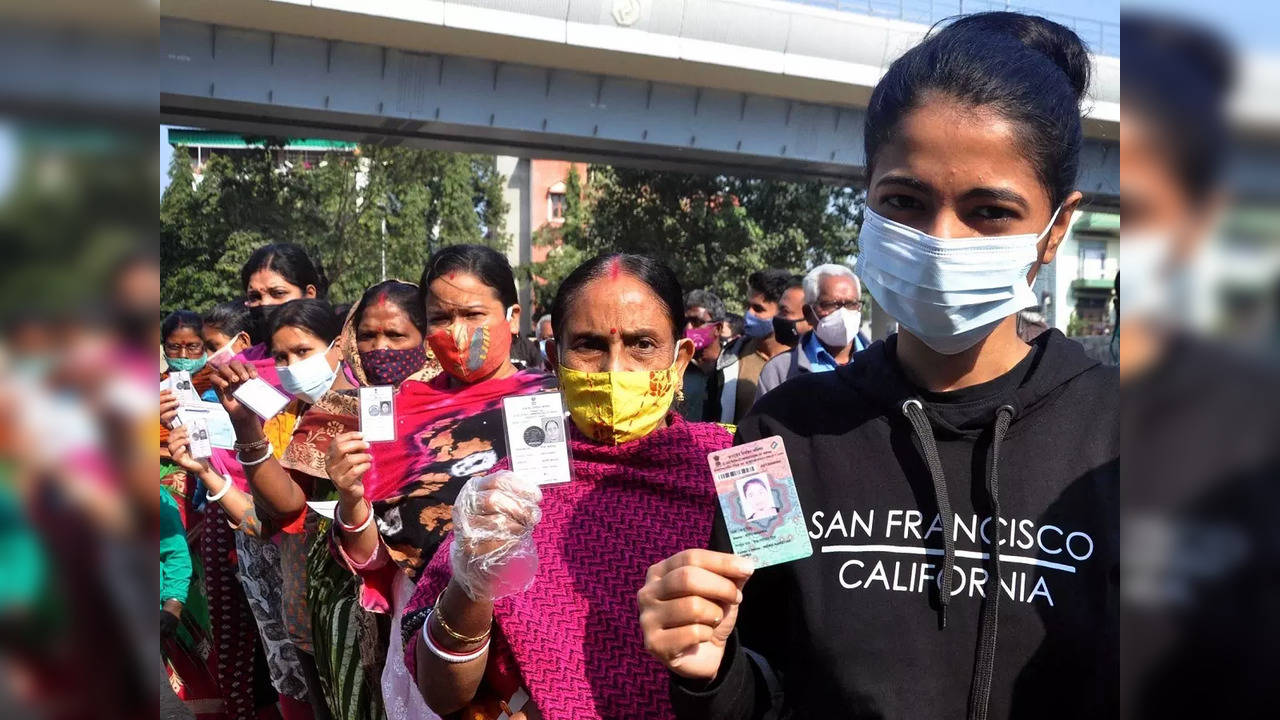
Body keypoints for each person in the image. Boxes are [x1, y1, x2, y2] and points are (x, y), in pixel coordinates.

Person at [639, 13, 1117, 719]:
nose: (939, 239)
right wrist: (706, 673)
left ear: (1057, 230)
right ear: (865, 199)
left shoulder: (1131, 438)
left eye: (989, 211)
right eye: (904, 201)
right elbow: (761, 687)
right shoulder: (778, 436)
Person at [401, 253, 734, 719]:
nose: (614, 371)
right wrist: (474, 581)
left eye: (641, 344)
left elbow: (793, 646)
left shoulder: (732, 471)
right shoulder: (514, 486)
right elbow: (443, 693)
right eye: (589, 345)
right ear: (555, 359)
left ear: (679, 361)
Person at [322, 245, 555, 718]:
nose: (457, 333)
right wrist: (350, 499)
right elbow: (378, 558)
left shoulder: (551, 400)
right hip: (431, 634)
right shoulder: (396, 408)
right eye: (440, 318)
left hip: (538, 635)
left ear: (513, 315)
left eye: (473, 313)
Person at [754, 264, 870, 400]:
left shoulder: (883, 362)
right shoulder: (779, 371)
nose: (843, 313)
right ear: (809, 313)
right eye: (830, 304)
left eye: (851, 304)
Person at [711, 270, 798, 424]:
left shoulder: (802, 360)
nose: (748, 314)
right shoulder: (731, 358)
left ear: (782, 313)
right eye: (748, 306)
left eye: (758, 309)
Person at [680, 289, 728, 421]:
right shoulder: (675, 366)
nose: (688, 328)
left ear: (717, 328)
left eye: (696, 322)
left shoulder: (731, 368)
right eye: (685, 322)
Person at [162, 311, 219, 402]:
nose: (183, 355)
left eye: (192, 346)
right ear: (164, 348)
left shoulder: (221, 384)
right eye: (174, 347)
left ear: (205, 346)